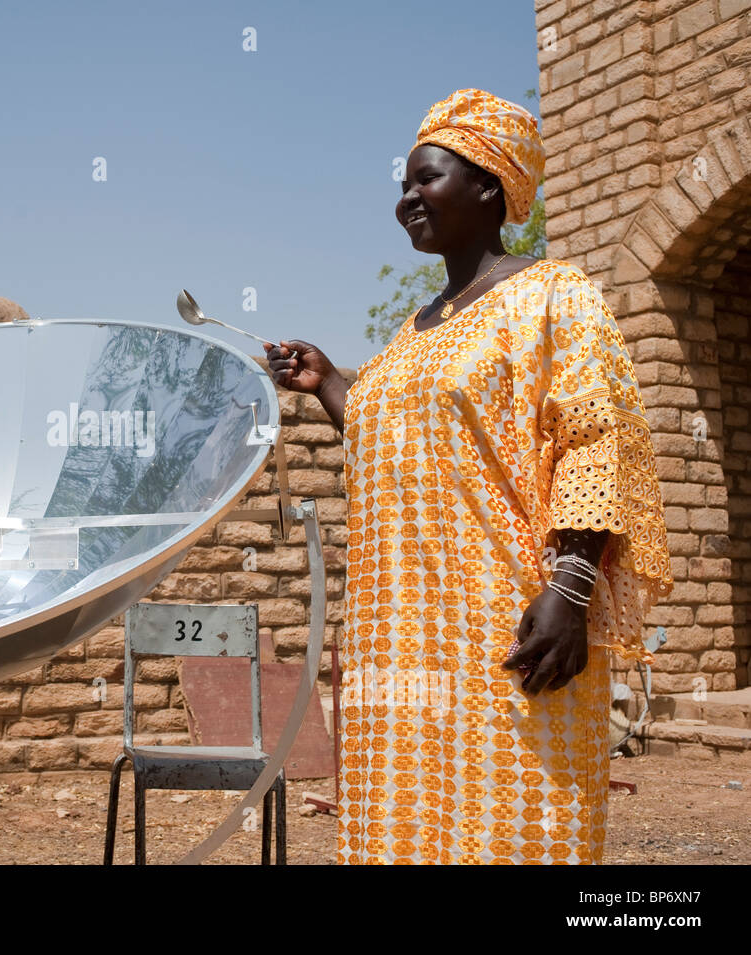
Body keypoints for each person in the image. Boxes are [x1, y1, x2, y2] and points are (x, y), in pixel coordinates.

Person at [266, 88, 673, 864]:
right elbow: (397, 440)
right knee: (406, 824)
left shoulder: (555, 295)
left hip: (509, 625)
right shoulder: (414, 332)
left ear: (490, 185)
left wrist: (572, 589)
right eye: (404, 184)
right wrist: (326, 382)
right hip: (403, 635)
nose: (406, 198)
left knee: (515, 819)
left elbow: (595, 440)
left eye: (426, 178)